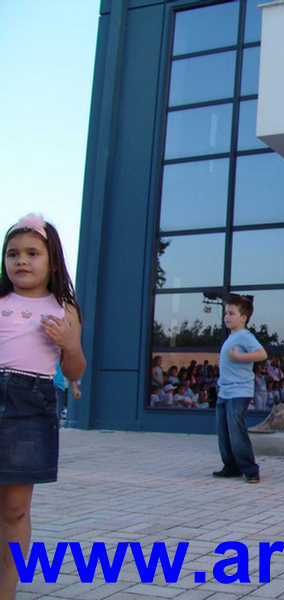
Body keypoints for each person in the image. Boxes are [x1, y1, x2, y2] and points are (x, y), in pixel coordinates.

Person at [0, 213, 86, 599]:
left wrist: (69, 344)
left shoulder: (64, 309)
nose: (21, 260)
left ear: (52, 261)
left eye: (32, 253)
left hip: (30, 405)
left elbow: (75, 370)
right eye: (13, 253)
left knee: (15, 508)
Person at [213, 294, 267, 484]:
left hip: (239, 392)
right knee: (224, 432)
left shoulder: (245, 336)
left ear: (243, 317)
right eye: (226, 313)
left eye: (231, 313)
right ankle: (231, 467)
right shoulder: (232, 337)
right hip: (225, 392)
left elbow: (262, 354)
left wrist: (239, 358)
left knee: (236, 432)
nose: (227, 317)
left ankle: (251, 471)